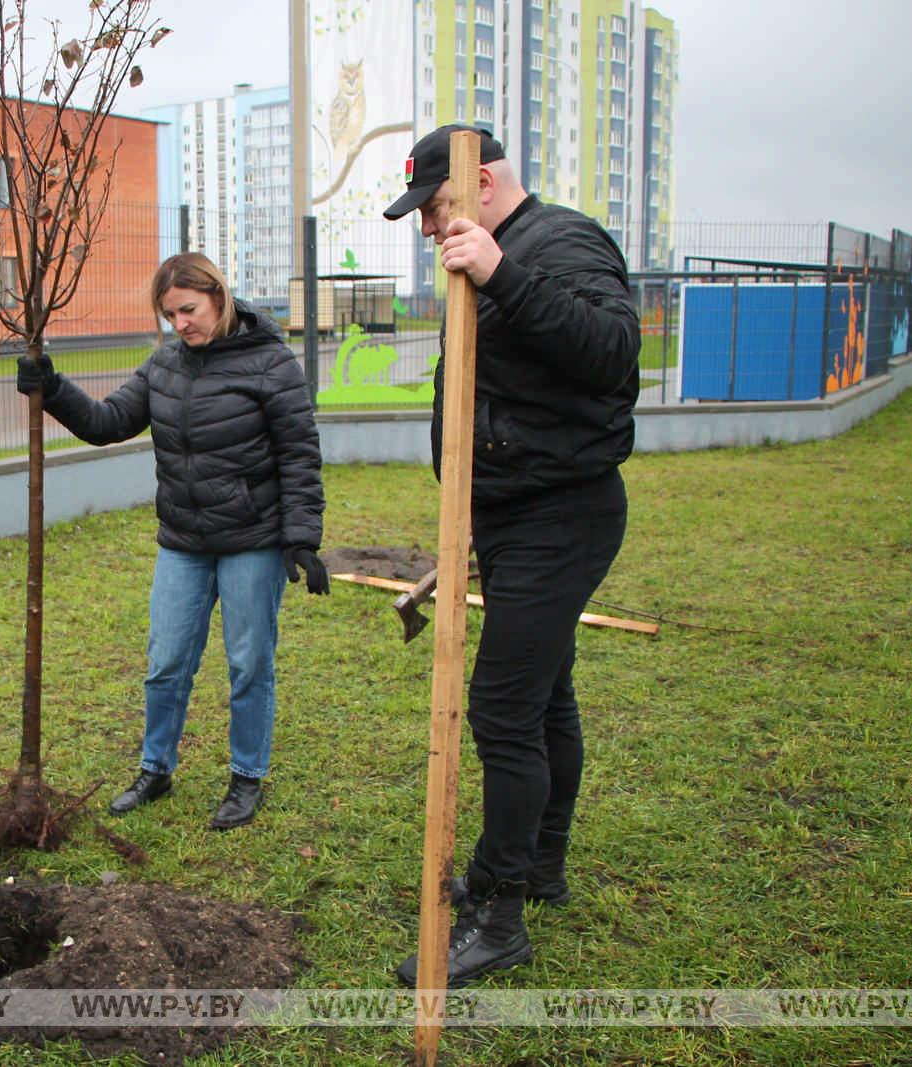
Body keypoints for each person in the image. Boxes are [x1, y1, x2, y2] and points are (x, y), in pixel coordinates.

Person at [383, 125, 639, 987]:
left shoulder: (560, 242)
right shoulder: (493, 249)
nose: (427, 228)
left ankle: (499, 912)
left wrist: (502, 274)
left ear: (484, 181)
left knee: (498, 711)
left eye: (436, 205)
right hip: (507, 514)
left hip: (559, 515)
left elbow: (611, 356)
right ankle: (542, 867)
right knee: (544, 697)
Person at [15, 252, 328, 831]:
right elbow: (108, 422)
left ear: (217, 295)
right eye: (170, 315)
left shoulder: (270, 362)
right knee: (165, 664)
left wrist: (302, 537)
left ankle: (246, 777)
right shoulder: (164, 365)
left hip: (251, 540)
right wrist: (52, 388)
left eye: (188, 309)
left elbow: (299, 453)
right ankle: (155, 769)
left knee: (248, 663)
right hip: (183, 541)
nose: (181, 324)